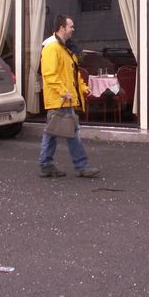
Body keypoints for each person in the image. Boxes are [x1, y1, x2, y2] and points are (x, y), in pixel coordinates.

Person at [38, 14, 100, 178]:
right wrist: (63, 91)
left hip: (64, 98)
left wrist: (83, 88)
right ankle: (81, 166)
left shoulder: (65, 48)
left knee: (51, 133)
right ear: (62, 28)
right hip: (61, 99)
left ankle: (46, 165)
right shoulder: (52, 48)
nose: (73, 29)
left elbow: (73, 74)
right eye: (70, 26)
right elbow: (49, 74)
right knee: (72, 132)